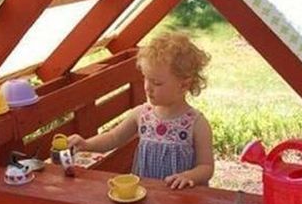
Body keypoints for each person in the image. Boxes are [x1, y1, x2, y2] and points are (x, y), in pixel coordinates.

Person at [68, 32, 214, 189]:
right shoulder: (142, 115)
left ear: (184, 85)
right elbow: (113, 137)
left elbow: (206, 167)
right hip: (146, 195)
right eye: (145, 78)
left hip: (182, 200)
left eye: (157, 83)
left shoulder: (196, 124)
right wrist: (85, 144)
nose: (147, 87)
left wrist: (188, 176)